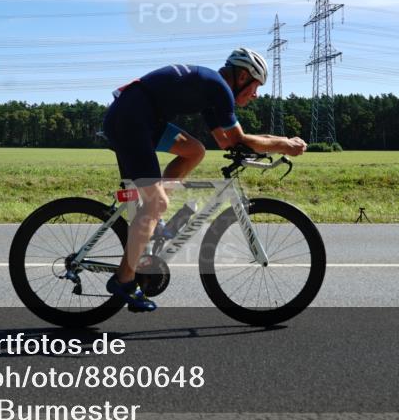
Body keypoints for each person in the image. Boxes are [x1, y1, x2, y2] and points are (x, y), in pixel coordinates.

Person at [101, 48, 307, 312]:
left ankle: (152, 220)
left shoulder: (214, 92)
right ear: (243, 76)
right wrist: (283, 144)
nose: (256, 95)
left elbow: (225, 141)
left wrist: (264, 147)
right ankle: (125, 280)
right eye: (256, 87)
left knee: (194, 151)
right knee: (155, 204)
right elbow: (238, 139)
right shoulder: (219, 88)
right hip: (132, 120)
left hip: (140, 117)